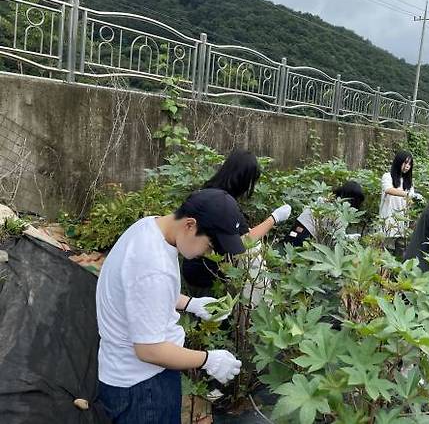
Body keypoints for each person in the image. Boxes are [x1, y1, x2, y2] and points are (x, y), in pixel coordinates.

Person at [96, 188, 245, 424]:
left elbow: (140, 295)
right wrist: (208, 360)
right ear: (190, 225)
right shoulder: (153, 267)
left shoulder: (149, 227)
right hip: (144, 388)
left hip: (123, 374)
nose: (208, 253)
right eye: (209, 245)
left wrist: (191, 304)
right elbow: (149, 350)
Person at [182, 149, 290, 289]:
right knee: (253, 251)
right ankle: (255, 308)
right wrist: (274, 218)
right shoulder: (224, 203)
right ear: (243, 179)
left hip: (189, 266)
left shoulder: (204, 193)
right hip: (206, 273)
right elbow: (245, 241)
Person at [283, 180, 365, 247]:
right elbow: (338, 239)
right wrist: (357, 238)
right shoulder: (338, 213)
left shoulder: (324, 200)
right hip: (303, 240)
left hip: (293, 233)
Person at [378, 151, 421, 255]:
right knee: (383, 249)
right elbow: (388, 190)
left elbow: (410, 200)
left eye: (410, 164)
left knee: (398, 250)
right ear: (398, 162)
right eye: (405, 163)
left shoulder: (409, 182)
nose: (407, 166)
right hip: (388, 217)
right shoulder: (387, 176)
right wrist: (408, 194)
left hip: (401, 220)